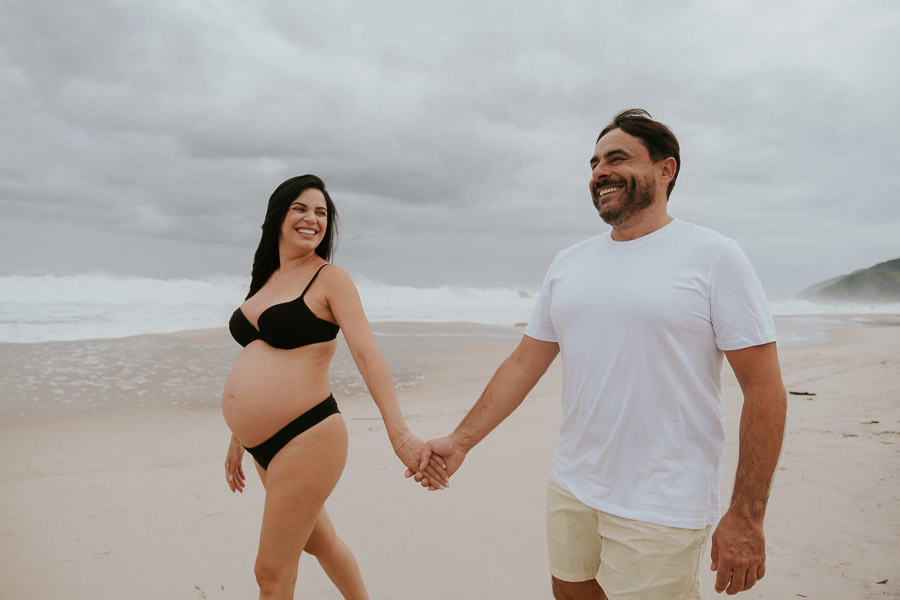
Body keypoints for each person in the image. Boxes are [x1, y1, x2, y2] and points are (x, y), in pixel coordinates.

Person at [416, 110, 787, 599]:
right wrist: (462, 441)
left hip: (663, 499)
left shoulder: (715, 256)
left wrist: (747, 514)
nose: (600, 173)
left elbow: (764, 388)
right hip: (573, 484)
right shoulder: (569, 263)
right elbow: (524, 364)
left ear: (666, 169)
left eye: (617, 158)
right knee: (570, 593)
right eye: (593, 164)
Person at [221, 174, 447, 600]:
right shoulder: (268, 278)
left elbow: (367, 355)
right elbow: (257, 353)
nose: (312, 219)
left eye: (321, 212)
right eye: (301, 208)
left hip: (307, 436)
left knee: (270, 573)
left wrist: (399, 434)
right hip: (262, 445)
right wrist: (238, 435)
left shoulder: (330, 279)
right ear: (278, 216)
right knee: (318, 541)